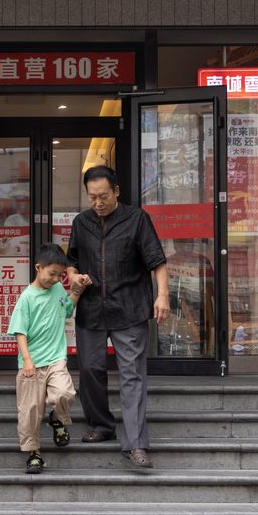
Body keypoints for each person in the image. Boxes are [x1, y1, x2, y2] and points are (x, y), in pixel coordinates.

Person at [66, 165, 169, 469]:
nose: (98, 203)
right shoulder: (80, 223)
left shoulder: (137, 219)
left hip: (130, 308)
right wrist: (74, 276)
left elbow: (157, 261)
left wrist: (162, 295)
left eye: (103, 196)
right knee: (89, 369)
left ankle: (136, 443)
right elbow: (70, 260)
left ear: (116, 191)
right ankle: (101, 425)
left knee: (132, 375)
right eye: (92, 197)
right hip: (92, 309)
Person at [7, 243, 91, 474]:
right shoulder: (27, 297)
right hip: (31, 364)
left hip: (55, 358)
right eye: (52, 274)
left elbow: (66, 309)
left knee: (65, 393)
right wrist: (27, 360)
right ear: (38, 267)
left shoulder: (56, 291)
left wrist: (77, 291)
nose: (56, 279)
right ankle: (34, 454)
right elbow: (19, 331)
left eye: (60, 275)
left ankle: (57, 419)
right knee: (30, 410)